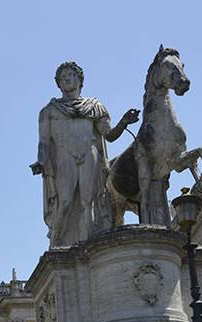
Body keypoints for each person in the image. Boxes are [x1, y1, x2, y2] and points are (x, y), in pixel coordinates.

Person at [30, 61, 139, 246]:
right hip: (65, 156)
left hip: (89, 153)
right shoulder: (49, 111)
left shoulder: (94, 106)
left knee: (88, 201)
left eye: (71, 75)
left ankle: (86, 246)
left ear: (80, 80)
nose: (67, 79)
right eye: (63, 77)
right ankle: (55, 245)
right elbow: (44, 142)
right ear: (58, 83)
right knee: (64, 202)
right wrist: (40, 162)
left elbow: (109, 135)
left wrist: (123, 122)